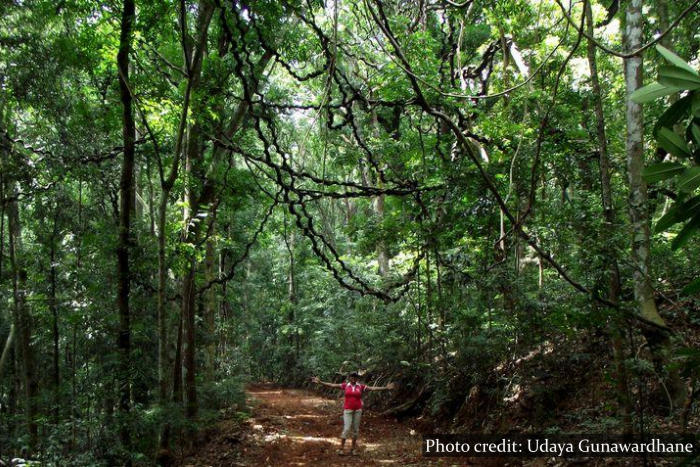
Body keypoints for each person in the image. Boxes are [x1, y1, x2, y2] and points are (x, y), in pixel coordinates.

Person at [311, 372, 395, 455]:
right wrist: (320, 382)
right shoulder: (345, 385)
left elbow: (372, 388)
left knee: (355, 430)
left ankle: (353, 449)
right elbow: (332, 385)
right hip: (348, 410)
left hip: (358, 410)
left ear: (357, 378)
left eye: (355, 377)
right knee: (347, 428)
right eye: (352, 377)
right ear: (349, 378)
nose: (353, 379)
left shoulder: (360, 386)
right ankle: (341, 448)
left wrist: (386, 388)